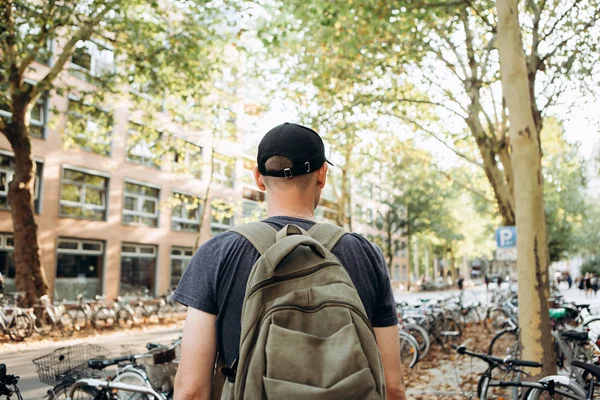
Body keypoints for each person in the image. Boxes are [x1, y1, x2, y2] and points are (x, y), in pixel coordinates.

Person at [173, 123, 406, 400]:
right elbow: (392, 386)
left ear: (258, 178)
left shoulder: (217, 254)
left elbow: (192, 391)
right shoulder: (366, 254)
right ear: (322, 175)